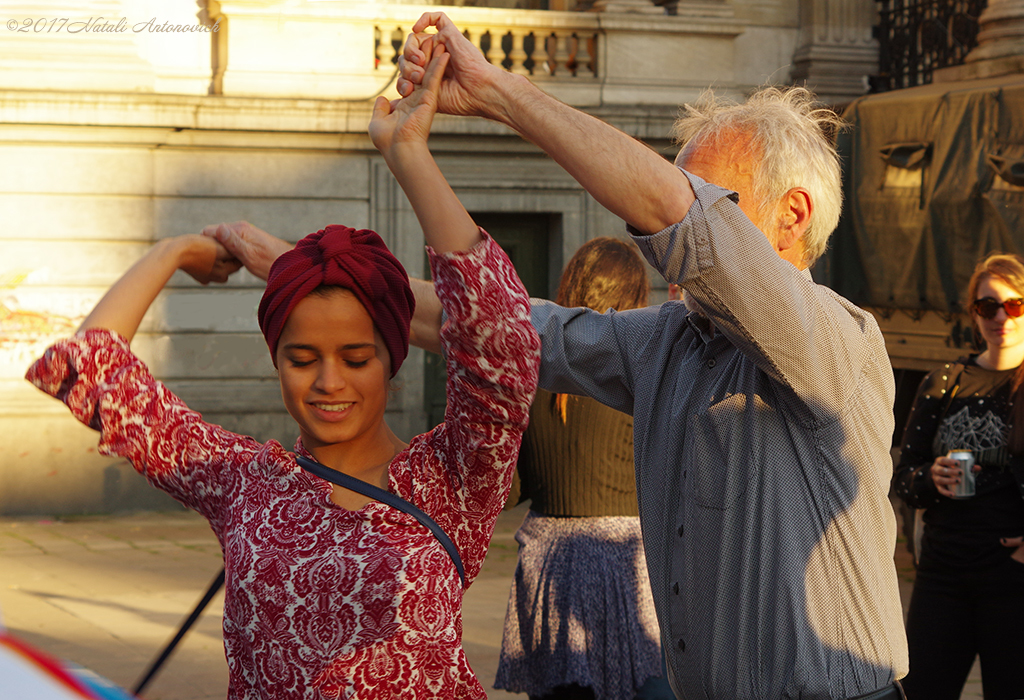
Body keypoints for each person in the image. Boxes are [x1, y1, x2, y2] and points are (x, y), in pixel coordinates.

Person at [396, 13, 909, 700]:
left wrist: (494, 91)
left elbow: (671, 215)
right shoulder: (672, 339)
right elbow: (496, 324)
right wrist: (316, 279)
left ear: (792, 216)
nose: (664, 243)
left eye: (712, 206)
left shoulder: (835, 337)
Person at [26, 48, 540, 699]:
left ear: (393, 358)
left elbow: (502, 337)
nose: (329, 381)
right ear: (276, 360)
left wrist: (409, 152)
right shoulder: (242, 482)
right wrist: (173, 250)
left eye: (356, 358)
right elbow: (96, 368)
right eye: (302, 359)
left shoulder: (455, 475)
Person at [495, 237, 672, 700]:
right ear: (634, 300)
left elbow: (510, 490)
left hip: (551, 564)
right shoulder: (646, 377)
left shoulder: (531, 378)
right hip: (629, 563)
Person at [893, 253, 1024, 700]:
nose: (1001, 317)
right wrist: (930, 477)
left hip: (1012, 579)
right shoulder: (944, 380)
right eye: (989, 306)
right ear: (974, 312)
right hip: (942, 574)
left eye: (1014, 305)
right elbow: (903, 479)